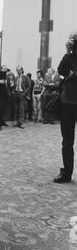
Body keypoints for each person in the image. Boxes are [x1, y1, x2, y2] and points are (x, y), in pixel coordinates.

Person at [53, 31, 77, 183]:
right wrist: (68, 52)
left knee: (67, 140)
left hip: (70, 101)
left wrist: (73, 75)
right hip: (68, 102)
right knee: (67, 140)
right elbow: (61, 71)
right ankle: (67, 173)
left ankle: (67, 173)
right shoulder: (70, 57)